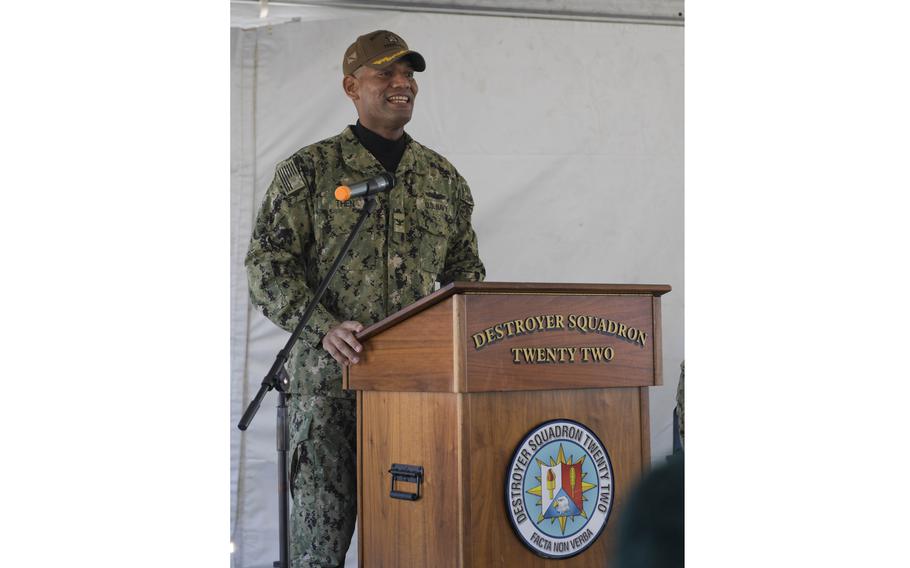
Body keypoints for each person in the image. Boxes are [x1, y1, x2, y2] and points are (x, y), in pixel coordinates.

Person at [245, 29, 485, 568]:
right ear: (352, 86)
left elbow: (465, 275)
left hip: (419, 398)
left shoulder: (443, 180)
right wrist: (323, 328)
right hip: (329, 391)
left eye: (409, 74)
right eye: (386, 73)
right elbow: (267, 268)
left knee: (414, 540)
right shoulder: (309, 172)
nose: (403, 84)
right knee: (318, 551)